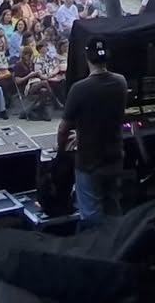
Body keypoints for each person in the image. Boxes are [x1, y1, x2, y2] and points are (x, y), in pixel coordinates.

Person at [58, 43, 130, 223]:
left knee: (91, 214)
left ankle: (95, 248)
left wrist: (61, 149)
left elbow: (64, 127)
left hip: (89, 160)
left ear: (87, 58)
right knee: (113, 206)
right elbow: (106, 117)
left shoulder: (79, 88)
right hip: (114, 157)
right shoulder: (121, 82)